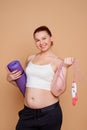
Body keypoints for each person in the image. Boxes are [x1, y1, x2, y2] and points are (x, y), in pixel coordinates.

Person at [7, 25, 74, 130]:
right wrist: (10, 79)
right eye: (37, 40)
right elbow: (25, 84)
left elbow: (58, 91)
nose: (41, 43)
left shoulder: (58, 62)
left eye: (44, 38)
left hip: (49, 114)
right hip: (28, 113)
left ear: (51, 38)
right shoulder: (30, 58)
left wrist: (65, 67)